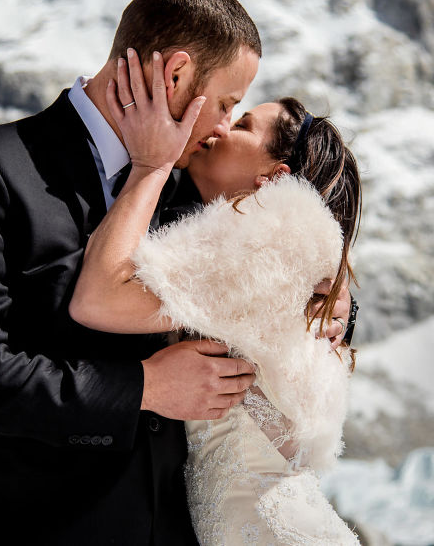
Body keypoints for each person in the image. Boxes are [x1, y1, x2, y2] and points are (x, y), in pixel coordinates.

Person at [0, 0, 352, 544]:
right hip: (17, 528)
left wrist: (334, 299)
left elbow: (279, 247)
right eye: (224, 103)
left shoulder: (195, 183)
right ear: (176, 74)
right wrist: (142, 387)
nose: (220, 128)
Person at [68, 54, 362, 543]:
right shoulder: (261, 239)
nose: (221, 127)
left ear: (274, 178)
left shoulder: (264, 240)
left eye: (242, 123)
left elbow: (97, 300)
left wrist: (151, 164)